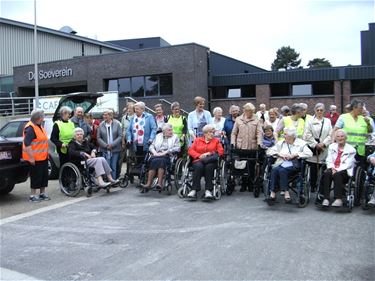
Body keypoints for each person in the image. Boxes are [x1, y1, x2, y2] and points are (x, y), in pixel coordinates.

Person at [266, 127, 313, 203]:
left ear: (291, 136)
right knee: (274, 170)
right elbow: (269, 151)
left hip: (294, 165)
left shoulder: (301, 143)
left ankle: (286, 193)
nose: (283, 136)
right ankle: (272, 193)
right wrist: (279, 154)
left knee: (282, 170)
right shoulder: (281, 143)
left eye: (285, 134)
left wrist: (296, 154)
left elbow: (309, 153)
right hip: (281, 163)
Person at [231, 102, 263, 192]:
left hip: (252, 147)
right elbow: (234, 133)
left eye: (252, 111)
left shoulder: (257, 120)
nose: (250, 113)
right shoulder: (238, 119)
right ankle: (243, 184)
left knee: (252, 165)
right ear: (245, 110)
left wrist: (259, 143)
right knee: (242, 166)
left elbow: (259, 133)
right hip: (241, 146)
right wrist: (233, 143)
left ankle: (251, 184)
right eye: (249, 111)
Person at [187, 124, 224, 199]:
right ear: (205, 133)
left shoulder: (216, 141)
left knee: (209, 167)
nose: (212, 134)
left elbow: (221, 151)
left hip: (210, 161)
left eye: (213, 132)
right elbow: (190, 150)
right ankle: (194, 190)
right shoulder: (198, 140)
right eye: (210, 132)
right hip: (199, 159)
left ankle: (208, 190)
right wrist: (199, 155)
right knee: (198, 166)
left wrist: (210, 153)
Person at [320, 130, 356, 207]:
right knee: (327, 173)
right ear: (335, 138)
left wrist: (337, 169)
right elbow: (329, 159)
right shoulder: (332, 146)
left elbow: (348, 164)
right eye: (338, 136)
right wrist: (332, 168)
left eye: (342, 136)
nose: (340, 138)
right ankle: (326, 198)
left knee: (338, 174)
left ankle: (338, 199)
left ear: (346, 138)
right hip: (333, 168)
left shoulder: (351, 150)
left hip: (345, 171)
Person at [140, 124, 180, 192]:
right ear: (164, 132)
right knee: (153, 161)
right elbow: (151, 146)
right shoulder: (158, 136)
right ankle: (149, 183)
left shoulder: (175, 137)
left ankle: (160, 183)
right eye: (169, 130)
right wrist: (154, 152)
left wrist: (166, 152)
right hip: (157, 154)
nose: (171, 132)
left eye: (171, 130)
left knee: (161, 160)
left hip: (168, 156)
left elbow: (178, 148)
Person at [334, 99, 373, 166]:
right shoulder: (343, 117)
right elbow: (335, 131)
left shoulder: (363, 118)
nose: (362, 110)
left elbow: (370, 131)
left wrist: (368, 123)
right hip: (346, 150)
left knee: (359, 172)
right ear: (354, 108)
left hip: (360, 151)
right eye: (360, 108)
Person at [303, 103, 332, 192]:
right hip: (313, 148)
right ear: (315, 110)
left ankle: (322, 186)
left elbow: (331, 134)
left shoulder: (327, 121)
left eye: (321, 110)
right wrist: (316, 144)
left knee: (323, 168)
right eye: (318, 110)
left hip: (324, 148)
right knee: (313, 169)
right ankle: (313, 186)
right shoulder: (309, 121)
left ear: (324, 111)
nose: (319, 111)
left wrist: (323, 144)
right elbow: (307, 134)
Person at [22, 109, 50, 202]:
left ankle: (42, 193)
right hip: (35, 158)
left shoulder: (39, 126)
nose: (43, 118)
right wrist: (31, 157)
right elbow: (27, 143)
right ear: (38, 118)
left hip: (43, 157)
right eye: (42, 116)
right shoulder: (30, 128)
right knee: (35, 177)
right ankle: (32, 195)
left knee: (43, 176)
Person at [97, 109, 122, 180]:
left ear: (111, 116)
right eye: (103, 115)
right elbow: (98, 137)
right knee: (106, 165)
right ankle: (107, 180)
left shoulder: (117, 124)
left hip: (115, 149)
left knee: (113, 166)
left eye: (106, 115)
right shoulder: (101, 125)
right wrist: (106, 146)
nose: (104, 116)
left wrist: (112, 145)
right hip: (105, 149)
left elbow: (120, 136)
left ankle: (113, 180)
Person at [118, 102, 135, 177]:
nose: (129, 110)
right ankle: (118, 174)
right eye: (128, 108)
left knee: (131, 158)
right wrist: (122, 141)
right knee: (121, 157)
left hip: (133, 140)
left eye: (131, 108)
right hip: (124, 139)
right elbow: (122, 130)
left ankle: (130, 173)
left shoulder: (135, 117)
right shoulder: (124, 118)